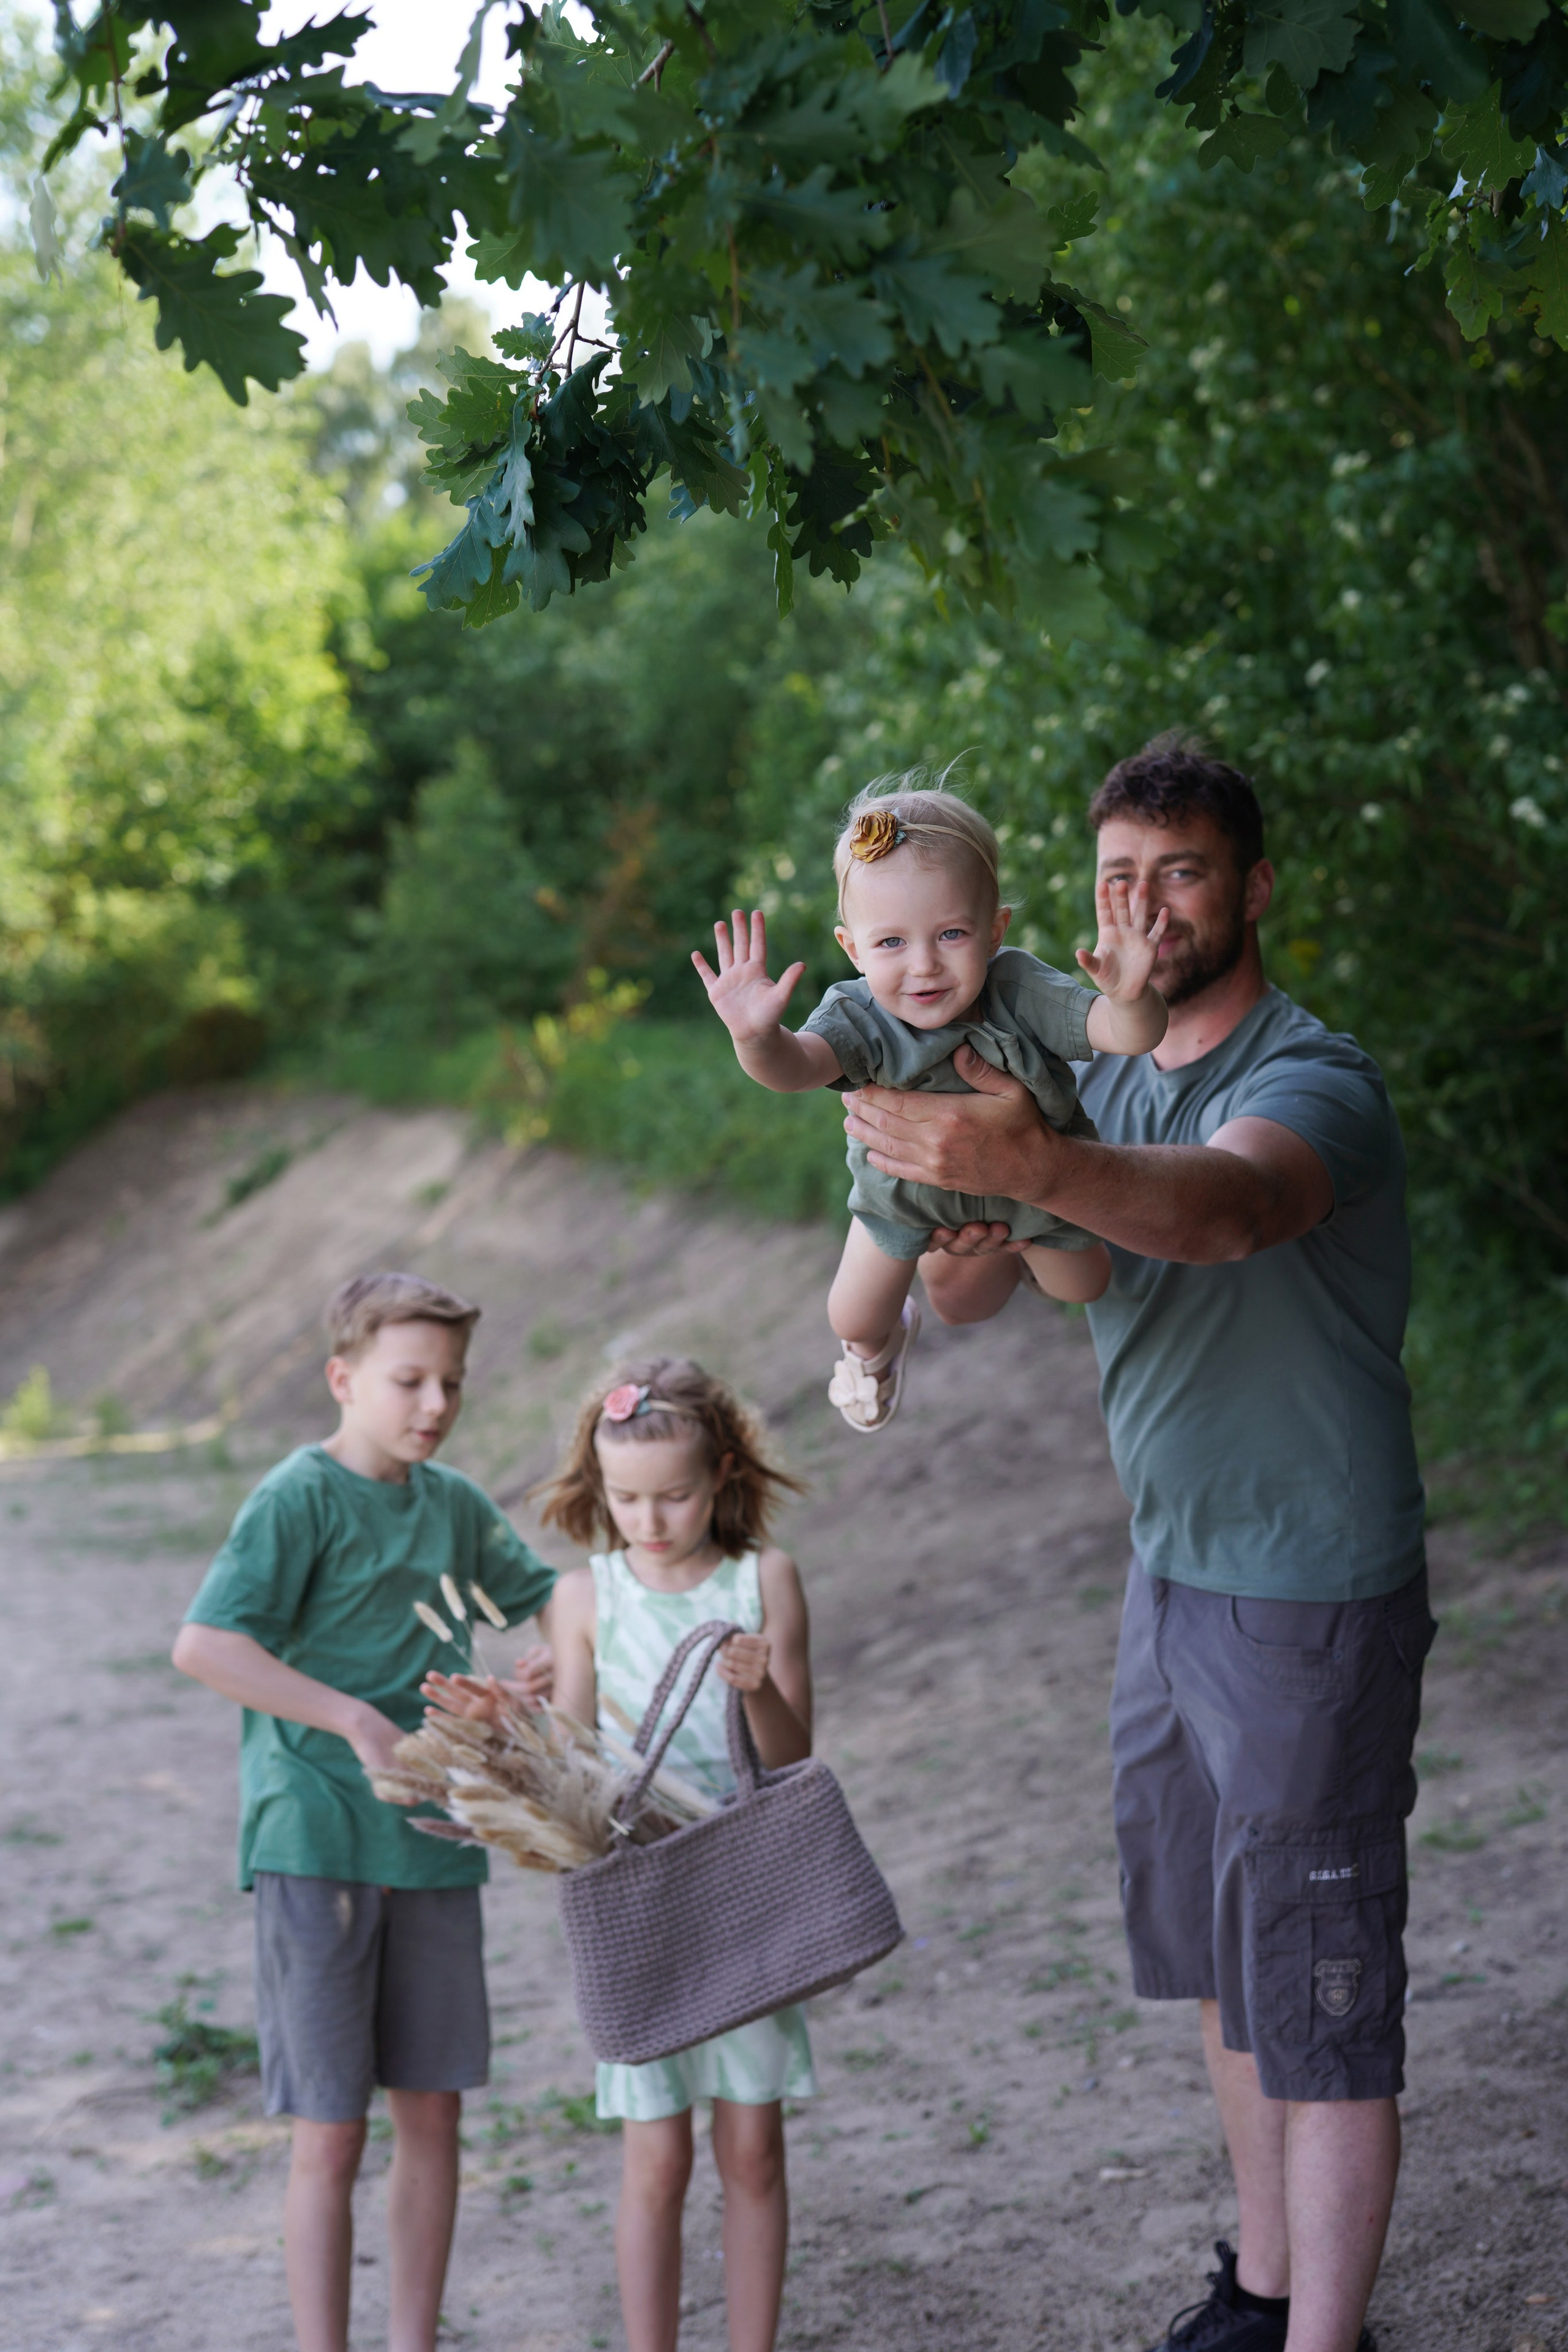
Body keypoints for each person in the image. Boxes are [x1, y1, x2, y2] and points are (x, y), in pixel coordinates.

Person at [840, 736, 1432, 2352]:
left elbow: (1223, 1213)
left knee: (1321, 1994)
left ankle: (1331, 2337)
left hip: (1310, 1592)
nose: (1146, 908)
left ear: (1250, 889)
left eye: (1180, 873)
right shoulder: (1087, 1076)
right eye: (1117, 878)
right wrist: (959, 1215)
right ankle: (1262, 2287)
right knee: (1229, 1966)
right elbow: (978, 1284)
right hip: (1169, 1579)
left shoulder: (1316, 1081)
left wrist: (1036, 1168)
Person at [171, 1272, 556, 2352]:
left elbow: (550, 1601)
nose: (434, 1405)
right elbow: (204, 1645)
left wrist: (543, 1671)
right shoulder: (297, 1496)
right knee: (330, 2135)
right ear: (343, 1380)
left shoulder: (457, 1505)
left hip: (436, 1845)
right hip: (317, 1842)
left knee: (434, 2114)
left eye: (452, 1383)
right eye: (408, 1381)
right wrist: (352, 1720)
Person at [428, 1356, 813, 2352]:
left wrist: (758, 1683)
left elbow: (790, 1752)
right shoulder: (583, 1596)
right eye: (626, 1498)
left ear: (723, 1473)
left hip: (743, 1887)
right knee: (654, 2158)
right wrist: (513, 1721)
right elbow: (576, 1764)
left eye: (673, 1496)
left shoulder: (761, 1578)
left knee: (754, 2149)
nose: (648, 1520)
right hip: (639, 1897)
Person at [692, 771, 1168, 1432]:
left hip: (1037, 1183)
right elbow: (794, 1068)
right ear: (851, 948)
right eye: (890, 942)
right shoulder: (857, 1015)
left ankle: (1018, 1252)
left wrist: (1131, 998)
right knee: (852, 1319)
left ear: (995, 927)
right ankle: (885, 1348)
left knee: (1083, 1284)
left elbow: (1123, 1036)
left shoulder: (1020, 988)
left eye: (950, 934)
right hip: (906, 1196)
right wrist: (756, 1037)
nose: (923, 966)